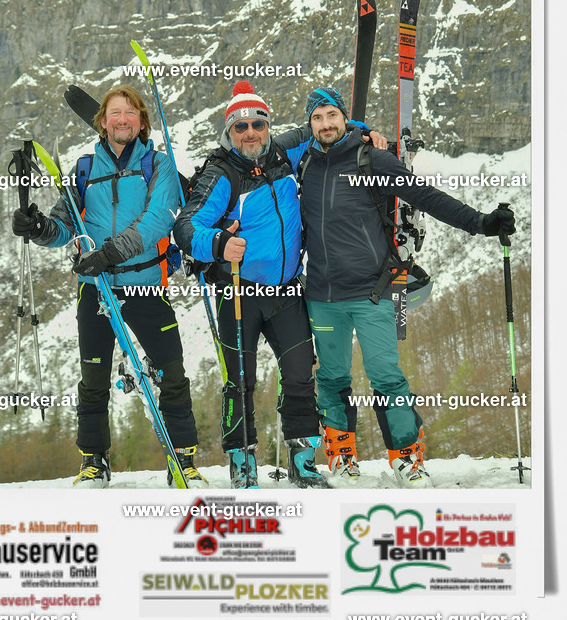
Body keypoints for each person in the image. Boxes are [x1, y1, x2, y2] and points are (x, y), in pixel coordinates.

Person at [295, 86, 516, 488]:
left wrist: (480, 223)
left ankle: (407, 458)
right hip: (322, 296)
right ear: (309, 124)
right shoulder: (303, 162)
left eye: (332, 115)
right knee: (331, 377)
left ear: (344, 118)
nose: (325, 124)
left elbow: (425, 195)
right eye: (317, 118)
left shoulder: (372, 159)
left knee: (386, 376)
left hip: (373, 291)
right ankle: (342, 456)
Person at [12, 84, 206, 489]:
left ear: (141, 122)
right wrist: (39, 228)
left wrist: (110, 253)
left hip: (144, 284)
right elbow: (65, 226)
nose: (122, 119)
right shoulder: (83, 170)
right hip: (94, 287)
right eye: (115, 112)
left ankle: (183, 459)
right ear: (102, 121)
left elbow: (157, 220)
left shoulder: (159, 165)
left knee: (171, 371)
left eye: (131, 113)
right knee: (94, 378)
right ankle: (93, 461)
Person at [174, 81, 330, 490]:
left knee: (299, 374)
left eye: (257, 125)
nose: (250, 133)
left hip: (286, 291)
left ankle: (302, 458)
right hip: (238, 292)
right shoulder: (221, 173)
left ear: (267, 127)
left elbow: (326, 126)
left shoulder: (284, 151)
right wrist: (219, 243)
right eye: (240, 127)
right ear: (229, 132)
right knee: (239, 381)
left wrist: (367, 133)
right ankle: (242, 461)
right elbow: (186, 227)